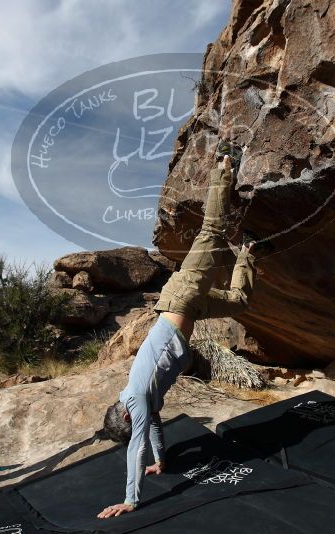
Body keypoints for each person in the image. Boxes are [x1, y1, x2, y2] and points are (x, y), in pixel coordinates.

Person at [97, 153, 261, 518]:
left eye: (131, 425)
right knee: (238, 302)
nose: (138, 422)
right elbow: (152, 430)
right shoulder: (144, 403)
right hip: (192, 308)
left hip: (182, 296)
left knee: (210, 234)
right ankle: (249, 249)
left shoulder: (136, 398)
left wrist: (130, 499)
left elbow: (136, 444)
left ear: (125, 417)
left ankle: (223, 165)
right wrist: (162, 461)